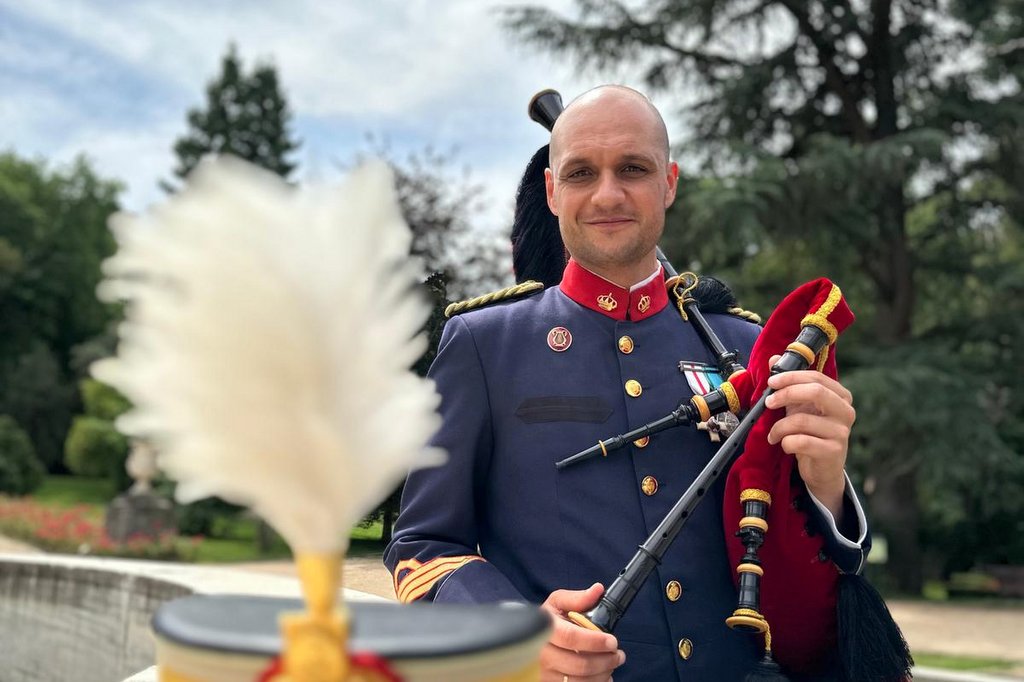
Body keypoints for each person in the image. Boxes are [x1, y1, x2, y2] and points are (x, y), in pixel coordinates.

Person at [384, 85, 866, 681]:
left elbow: (802, 558)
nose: (607, 194)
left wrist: (827, 483)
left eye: (633, 169)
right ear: (552, 192)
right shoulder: (486, 344)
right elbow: (422, 548)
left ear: (669, 183)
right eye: (581, 172)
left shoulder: (749, 347)